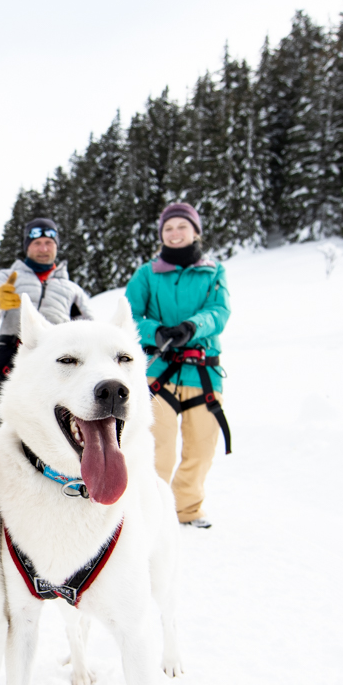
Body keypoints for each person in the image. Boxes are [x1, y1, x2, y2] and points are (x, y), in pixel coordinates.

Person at [125, 202, 230, 528]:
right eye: (168, 228)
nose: (174, 233)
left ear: (195, 231)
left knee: (201, 448)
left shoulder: (214, 272)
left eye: (181, 226)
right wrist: (154, 331)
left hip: (203, 373)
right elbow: (127, 314)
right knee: (159, 449)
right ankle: (154, 510)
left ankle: (188, 509)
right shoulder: (146, 274)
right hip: (160, 372)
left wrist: (192, 327)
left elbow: (220, 311)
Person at [0, 218, 93, 441]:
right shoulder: (8, 276)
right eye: (37, 243)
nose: (43, 248)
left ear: (57, 246)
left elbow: (92, 329)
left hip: (56, 356)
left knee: (51, 422)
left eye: (49, 242)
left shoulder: (71, 289)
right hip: (10, 350)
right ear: (27, 246)